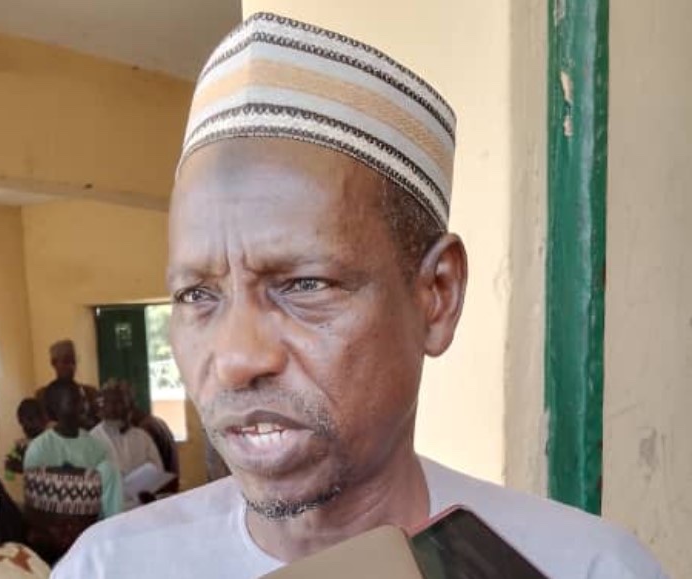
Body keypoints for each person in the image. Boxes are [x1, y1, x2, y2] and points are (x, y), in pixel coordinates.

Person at [53, 12, 666, 579]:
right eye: (196, 295)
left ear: (437, 294)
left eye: (304, 285)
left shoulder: (587, 568)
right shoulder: (107, 567)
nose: (236, 359)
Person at [24, 379, 122, 519]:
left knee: (109, 469)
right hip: (53, 524)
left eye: (84, 400)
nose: (84, 407)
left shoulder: (96, 446)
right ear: (55, 408)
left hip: (94, 524)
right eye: (74, 402)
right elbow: (34, 504)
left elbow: (110, 497)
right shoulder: (38, 449)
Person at [90, 380, 163, 478]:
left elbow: (158, 473)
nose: (114, 408)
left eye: (120, 402)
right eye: (110, 403)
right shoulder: (92, 440)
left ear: (130, 406)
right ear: (102, 407)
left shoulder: (143, 438)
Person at [36, 340, 100, 429]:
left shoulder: (89, 392)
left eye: (73, 361)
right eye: (66, 362)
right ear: (53, 363)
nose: (71, 366)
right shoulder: (43, 395)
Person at [5, 399, 48, 478]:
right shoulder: (24, 444)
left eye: (30, 419)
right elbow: (9, 475)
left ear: (43, 418)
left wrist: (23, 466)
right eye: (22, 422)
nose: (26, 425)